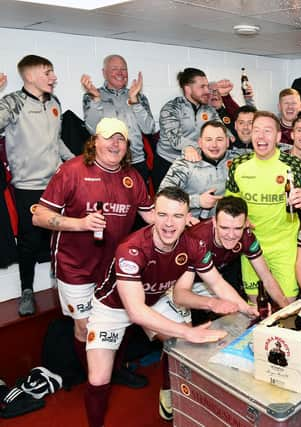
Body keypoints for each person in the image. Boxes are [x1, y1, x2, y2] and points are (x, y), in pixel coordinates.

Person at [85, 187, 256, 426]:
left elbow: (217, 282)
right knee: (98, 378)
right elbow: (135, 311)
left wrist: (246, 308)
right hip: (113, 308)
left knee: (183, 348)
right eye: (163, 215)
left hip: (154, 299)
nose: (169, 224)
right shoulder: (131, 249)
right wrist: (188, 330)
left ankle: (172, 397)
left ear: (188, 219)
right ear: (153, 214)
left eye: (177, 216)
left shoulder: (193, 245)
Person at [33, 117, 154, 385]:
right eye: (109, 137)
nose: (115, 143)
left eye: (121, 139)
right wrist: (81, 223)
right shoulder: (72, 170)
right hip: (74, 266)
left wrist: (182, 216)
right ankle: (93, 377)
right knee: (85, 327)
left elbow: (150, 216)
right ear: (95, 141)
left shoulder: (132, 177)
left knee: (118, 323)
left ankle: (116, 369)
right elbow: (39, 216)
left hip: (111, 267)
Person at [0, 54, 74, 316]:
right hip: (27, 186)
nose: (53, 77)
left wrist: (76, 163)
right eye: (47, 72)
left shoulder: (54, 102)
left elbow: (57, 142)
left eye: (53, 72)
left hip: (57, 183)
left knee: (65, 234)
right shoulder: (12, 102)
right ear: (29, 76)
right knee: (30, 241)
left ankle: (63, 283)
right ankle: (27, 290)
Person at [226, 111, 301, 306]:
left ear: (278, 137)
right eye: (256, 131)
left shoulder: (293, 164)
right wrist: (238, 218)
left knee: (287, 305)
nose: (261, 137)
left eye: (267, 131)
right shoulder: (239, 164)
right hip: (251, 245)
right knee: (255, 304)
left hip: (283, 247)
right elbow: (230, 205)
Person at [187, 196, 287, 309]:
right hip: (186, 283)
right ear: (214, 222)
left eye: (237, 228)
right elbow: (181, 293)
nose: (231, 235)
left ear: (245, 223)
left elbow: (267, 277)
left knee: (237, 312)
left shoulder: (247, 236)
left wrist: (288, 308)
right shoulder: (197, 239)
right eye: (224, 228)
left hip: (216, 280)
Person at [81, 54, 156, 181]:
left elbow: (149, 129)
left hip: (136, 163)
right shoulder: (92, 96)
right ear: (104, 73)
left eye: (124, 69)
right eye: (115, 69)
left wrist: (134, 101)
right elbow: (92, 130)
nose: (120, 73)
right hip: (106, 164)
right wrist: (97, 99)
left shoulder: (138, 96)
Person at [153, 68, 224, 189]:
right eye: (202, 87)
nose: (207, 91)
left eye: (207, 86)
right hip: (168, 164)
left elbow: (221, 131)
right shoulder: (171, 108)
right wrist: (196, 147)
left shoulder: (209, 110)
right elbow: (175, 139)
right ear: (187, 89)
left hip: (195, 164)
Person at [159, 120, 232, 220]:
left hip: (227, 225)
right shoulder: (185, 164)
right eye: (208, 139)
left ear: (227, 142)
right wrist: (197, 201)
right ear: (200, 143)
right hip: (192, 225)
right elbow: (162, 196)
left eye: (219, 139)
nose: (214, 145)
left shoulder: (237, 159)